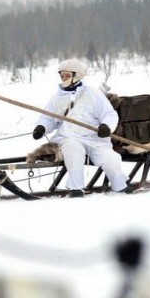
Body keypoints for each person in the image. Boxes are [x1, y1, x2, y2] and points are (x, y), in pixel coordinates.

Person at [31, 58, 130, 196]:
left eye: (67, 75)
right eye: (62, 75)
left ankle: (121, 186)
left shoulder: (94, 94)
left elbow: (109, 114)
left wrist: (106, 127)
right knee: (73, 151)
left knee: (111, 159)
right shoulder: (56, 98)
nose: (63, 78)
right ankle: (76, 188)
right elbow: (48, 118)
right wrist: (41, 127)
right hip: (69, 137)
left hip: (95, 139)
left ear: (76, 76)